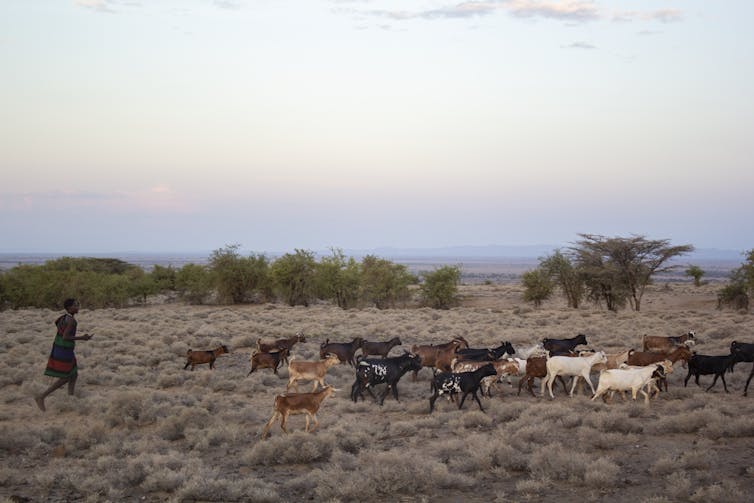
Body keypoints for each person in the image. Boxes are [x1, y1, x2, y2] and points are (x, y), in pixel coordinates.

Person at [35, 298, 93, 412]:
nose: (78, 307)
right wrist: (83, 338)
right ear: (69, 308)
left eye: (78, 305)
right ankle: (41, 397)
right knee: (65, 377)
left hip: (60, 347)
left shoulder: (62, 317)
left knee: (74, 374)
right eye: (75, 305)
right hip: (64, 350)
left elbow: (57, 324)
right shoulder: (71, 321)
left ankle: (71, 400)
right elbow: (66, 336)